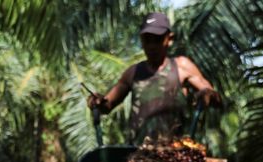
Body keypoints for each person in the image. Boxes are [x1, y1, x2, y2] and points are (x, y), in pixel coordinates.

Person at [88, 12, 221, 143]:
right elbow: (107, 104)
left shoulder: (181, 66)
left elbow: (215, 98)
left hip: (173, 155)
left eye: (157, 40)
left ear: (169, 39)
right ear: (141, 41)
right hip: (137, 155)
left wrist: (207, 94)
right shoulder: (133, 72)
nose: (152, 46)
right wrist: (97, 101)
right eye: (147, 40)